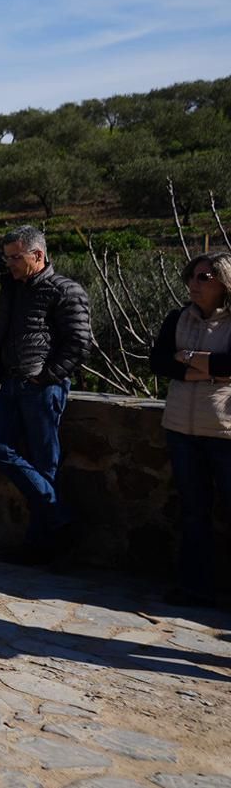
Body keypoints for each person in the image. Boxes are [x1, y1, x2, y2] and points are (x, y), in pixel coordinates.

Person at [0, 225, 92, 565]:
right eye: (7, 258)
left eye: (16, 257)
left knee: (43, 465)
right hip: (11, 384)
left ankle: (42, 546)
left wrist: (45, 377)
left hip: (42, 388)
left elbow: (78, 344)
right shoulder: (11, 287)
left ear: (38, 255)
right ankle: (59, 520)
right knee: (1, 450)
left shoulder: (65, 290)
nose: (11, 265)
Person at [148, 251, 231, 607]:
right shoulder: (176, 318)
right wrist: (212, 368)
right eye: (192, 276)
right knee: (194, 510)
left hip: (224, 430)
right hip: (181, 426)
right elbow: (159, 361)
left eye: (203, 278)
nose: (193, 284)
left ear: (224, 282)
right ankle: (194, 587)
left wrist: (190, 359)